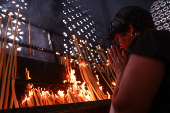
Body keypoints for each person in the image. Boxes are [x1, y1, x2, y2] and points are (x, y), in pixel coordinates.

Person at [107, 6, 170, 113]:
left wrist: (121, 72)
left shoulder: (147, 40)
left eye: (117, 39)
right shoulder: (162, 40)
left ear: (130, 28)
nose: (119, 46)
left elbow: (124, 109)